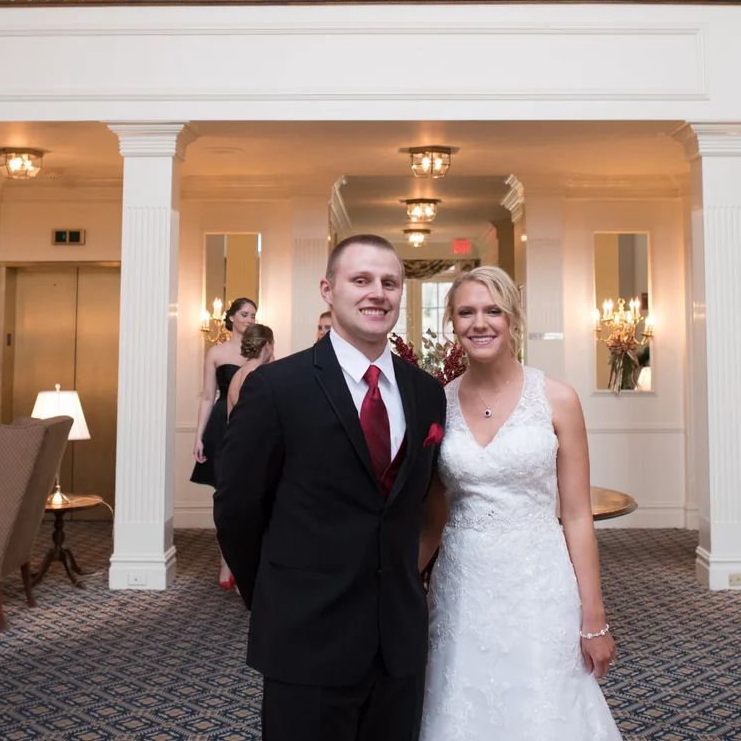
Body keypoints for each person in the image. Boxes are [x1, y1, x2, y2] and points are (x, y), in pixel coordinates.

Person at [215, 235, 446, 741]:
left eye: (389, 283)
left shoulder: (427, 393)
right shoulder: (277, 387)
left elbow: (422, 506)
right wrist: (277, 598)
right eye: (361, 280)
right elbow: (237, 510)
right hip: (306, 637)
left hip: (398, 643)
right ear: (328, 289)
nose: (377, 293)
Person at [418, 266, 620, 740]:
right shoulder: (437, 403)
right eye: (466, 312)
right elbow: (433, 517)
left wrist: (594, 617)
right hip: (463, 586)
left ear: (512, 318)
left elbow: (577, 516)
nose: (479, 323)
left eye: (493, 311)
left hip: (539, 584)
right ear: (451, 323)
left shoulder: (558, 399)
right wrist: (392, 588)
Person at [191, 296, 257, 589]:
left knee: (249, 494)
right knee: (224, 494)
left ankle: (245, 561)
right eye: (245, 314)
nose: (250, 320)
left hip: (252, 424)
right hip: (221, 424)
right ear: (231, 318)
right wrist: (198, 436)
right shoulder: (216, 352)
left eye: (253, 315)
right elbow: (207, 397)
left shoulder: (261, 351)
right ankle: (224, 559)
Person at [226, 324, 276, 416]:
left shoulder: (237, 375)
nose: (273, 350)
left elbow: (230, 418)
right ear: (267, 345)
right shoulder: (258, 375)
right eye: (273, 344)